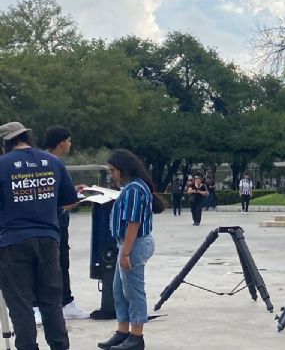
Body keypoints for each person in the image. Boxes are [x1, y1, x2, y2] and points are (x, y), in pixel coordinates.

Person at [0, 121, 78, 350]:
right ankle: (60, 346)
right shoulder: (53, 162)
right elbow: (70, 200)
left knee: (20, 303)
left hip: (12, 242)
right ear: (26, 136)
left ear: (5, 142)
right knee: (51, 301)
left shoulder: (2, 165)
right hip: (48, 239)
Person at [96, 149, 165, 350]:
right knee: (119, 290)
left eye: (113, 170)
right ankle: (123, 331)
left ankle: (136, 336)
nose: (112, 174)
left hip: (132, 244)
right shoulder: (132, 188)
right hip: (127, 244)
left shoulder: (135, 189)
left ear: (123, 169)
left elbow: (133, 222)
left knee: (133, 291)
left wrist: (125, 253)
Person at [41, 126, 89, 322]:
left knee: (63, 263)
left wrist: (74, 190)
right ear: (62, 142)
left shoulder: (55, 163)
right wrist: (77, 199)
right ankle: (47, 305)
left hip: (60, 222)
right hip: (54, 222)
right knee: (52, 265)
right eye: (69, 141)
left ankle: (67, 302)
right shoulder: (50, 163)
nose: (70, 145)